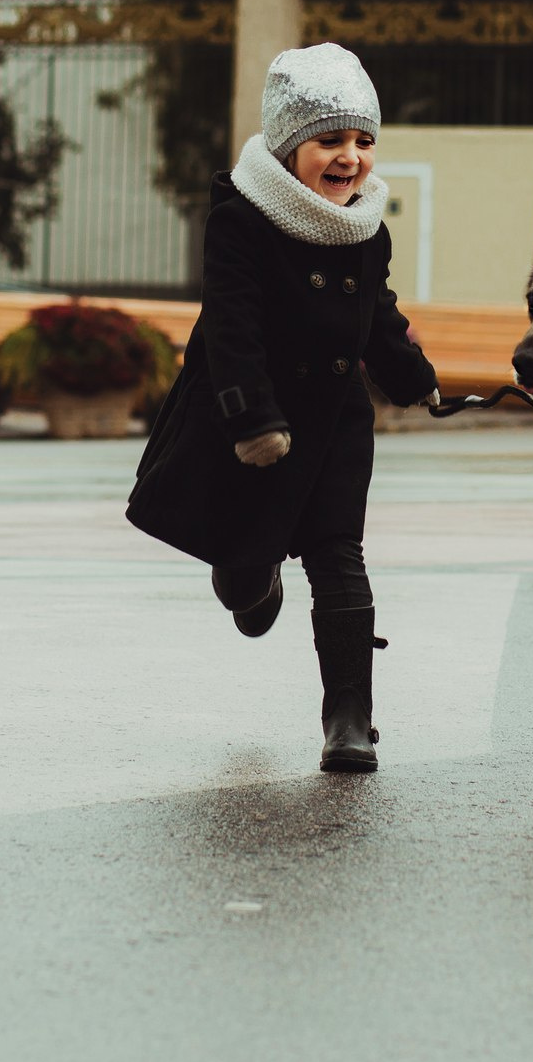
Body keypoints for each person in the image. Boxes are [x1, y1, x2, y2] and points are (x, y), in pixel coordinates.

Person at [127, 45, 438, 773]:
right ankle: (246, 571)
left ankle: (350, 717)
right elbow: (231, 328)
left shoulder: (366, 226)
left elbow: (377, 315)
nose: (351, 158)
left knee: (339, 556)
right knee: (245, 558)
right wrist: (251, 418)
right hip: (256, 425)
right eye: (331, 140)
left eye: (363, 141)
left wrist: (413, 375)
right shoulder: (242, 221)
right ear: (290, 145)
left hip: (332, 426)